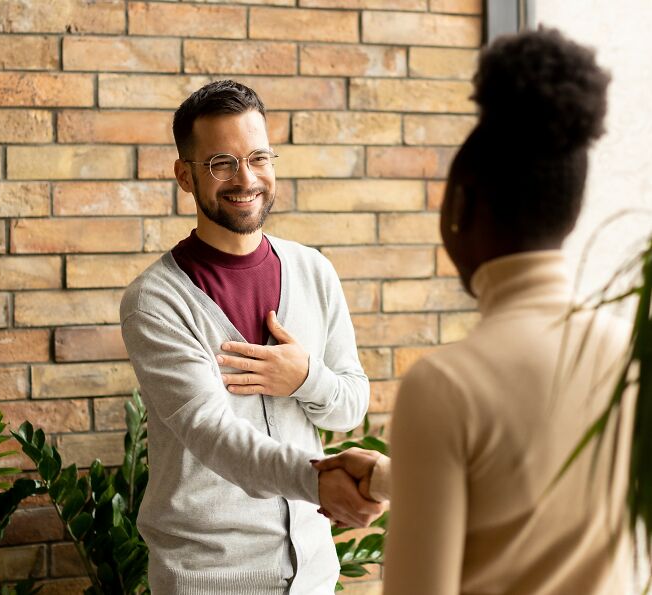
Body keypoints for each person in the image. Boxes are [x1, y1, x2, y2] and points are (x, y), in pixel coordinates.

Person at [316, 27, 634, 594]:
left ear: (460, 205)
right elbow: (538, 485)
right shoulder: (635, 354)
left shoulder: (446, 387)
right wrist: (394, 477)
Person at [120, 80, 381, 595]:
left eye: (258, 157)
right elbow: (211, 434)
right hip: (209, 578)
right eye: (222, 162)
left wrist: (305, 377)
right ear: (186, 176)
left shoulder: (314, 271)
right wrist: (315, 479)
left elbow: (350, 406)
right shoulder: (155, 301)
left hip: (312, 574)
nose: (246, 178)